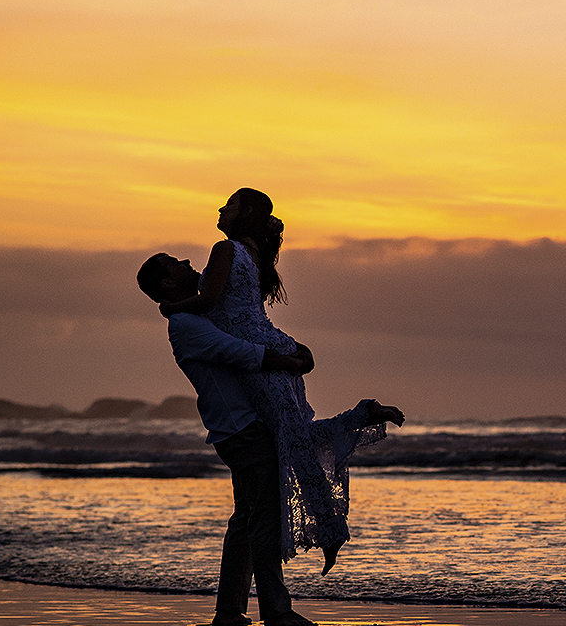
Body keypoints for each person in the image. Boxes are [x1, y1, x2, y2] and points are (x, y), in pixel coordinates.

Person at [159, 188, 404, 573]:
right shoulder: (256, 255)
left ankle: (330, 529)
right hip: (273, 347)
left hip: (264, 361)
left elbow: (208, 303)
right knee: (296, 437)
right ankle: (360, 425)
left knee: (295, 440)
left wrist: (170, 305)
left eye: (231, 204)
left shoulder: (225, 250)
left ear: (248, 212)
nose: (222, 209)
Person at [137, 252, 319, 626]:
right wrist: (291, 362)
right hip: (242, 431)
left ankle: (230, 610)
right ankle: (275, 611)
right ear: (168, 283)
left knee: (247, 520)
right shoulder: (185, 323)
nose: (187, 261)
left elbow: (247, 333)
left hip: (238, 430)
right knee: (263, 522)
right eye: (175, 263)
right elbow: (239, 352)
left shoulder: (197, 314)